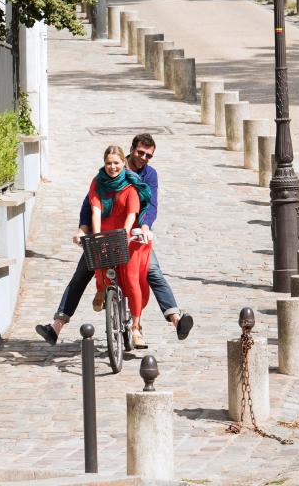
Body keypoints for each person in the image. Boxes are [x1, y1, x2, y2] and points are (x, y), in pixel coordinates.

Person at [35, 134, 194, 346]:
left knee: (152, 271)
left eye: (149, 155)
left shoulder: (148, 175)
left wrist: (144, 227)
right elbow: (90, 204)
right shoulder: (108, 173)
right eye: (140, 153)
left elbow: (150, 205)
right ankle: (56, 326)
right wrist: (83, 229)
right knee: (82, 272)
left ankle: (176, 320)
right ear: (130, 150)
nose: (144, 158)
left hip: (135, 235)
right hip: (104, 234)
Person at [86, 145, 151, 348]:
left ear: (124, 162)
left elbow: (131, 215)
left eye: (116, 163)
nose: (112, 167)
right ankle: (101, 288)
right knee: (97, 257)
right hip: (105, 232)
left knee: (132, 281)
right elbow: (95, 210)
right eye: (108, 163)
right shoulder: (98, 183)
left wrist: (123, 235)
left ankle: (135, 328)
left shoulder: (131, 187)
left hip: (127, 236)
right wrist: (96, 235)